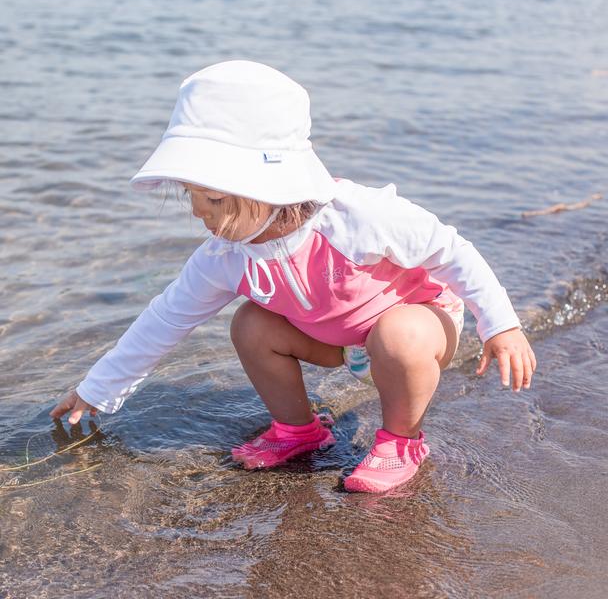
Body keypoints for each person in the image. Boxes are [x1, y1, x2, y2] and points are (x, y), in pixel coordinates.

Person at [50, 60, 537, 493]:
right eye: (191, 195)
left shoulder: (356, 216)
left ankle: (401, 440)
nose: (199, 211)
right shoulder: (225, 255)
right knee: (250, 323)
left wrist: (501, 325)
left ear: (270, 185)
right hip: (334, 342)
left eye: (215, 199)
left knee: (399, 334)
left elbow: (452, 252)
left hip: (419, 326)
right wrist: (98, 388)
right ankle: (298, 429)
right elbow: (166, 320)